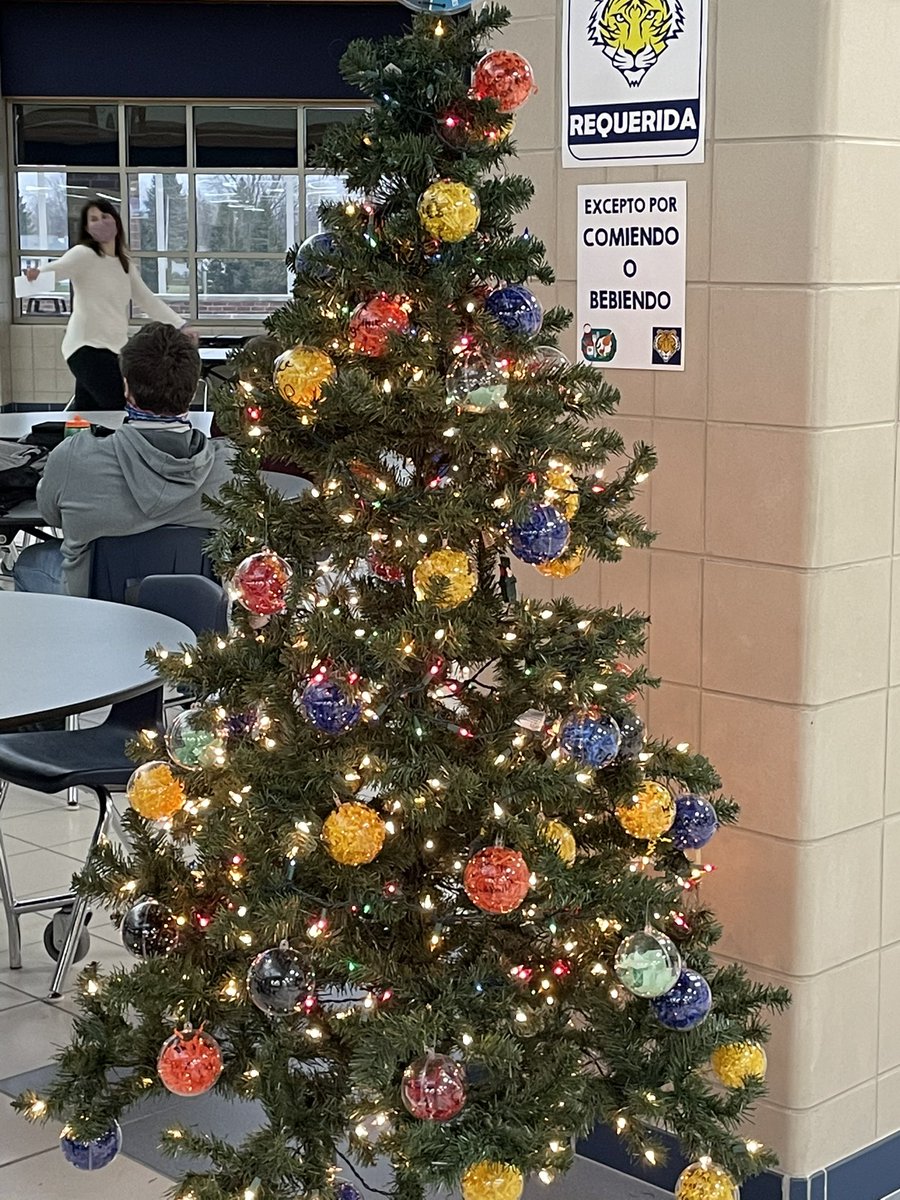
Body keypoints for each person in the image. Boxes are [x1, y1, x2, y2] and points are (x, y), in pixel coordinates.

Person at [12, 323, 234, 598]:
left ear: (126, 388)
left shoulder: (73, 457)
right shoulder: (231, 469)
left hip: (96, 612)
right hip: (192, 615)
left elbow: (50, 514)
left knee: (30, 561)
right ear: (192, 393)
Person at [22, 198, 196, 410]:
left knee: (90, 412)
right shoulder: (84, 254)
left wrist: (180, 325)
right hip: (85, 347)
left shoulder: (124, 264)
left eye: (104, 217)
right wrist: (33, 278)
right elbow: (58, 269)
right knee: (117, 407)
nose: (100, 222)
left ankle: (76, 442)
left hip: (114, 349)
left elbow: (147, 299)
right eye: (93, 219)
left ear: (115, 220)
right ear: (87, 228)